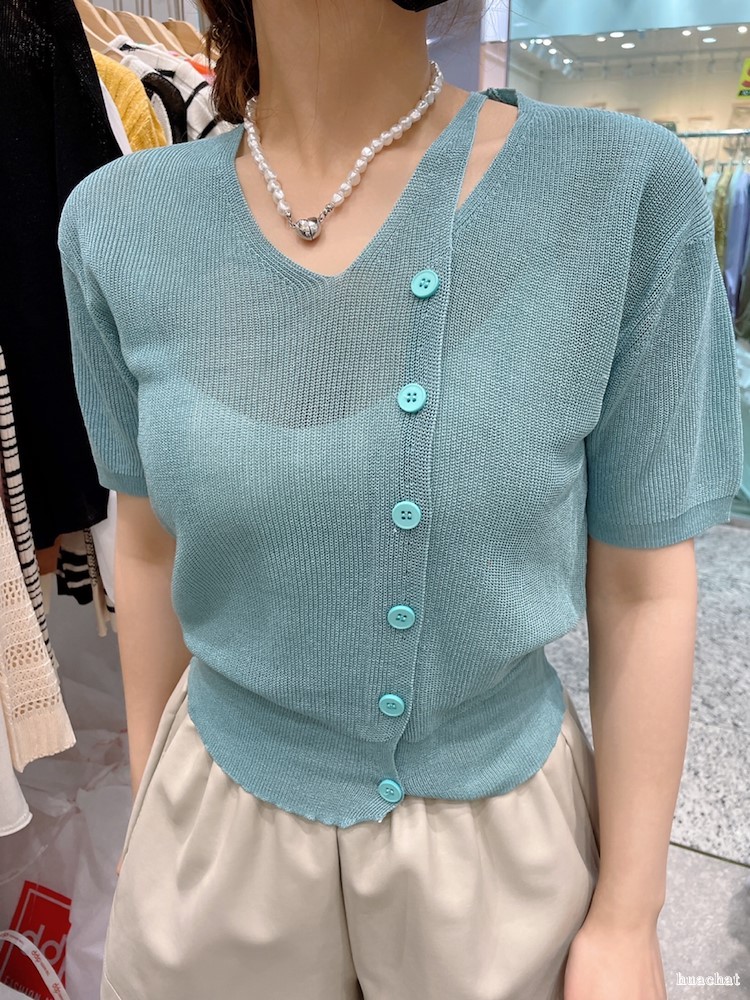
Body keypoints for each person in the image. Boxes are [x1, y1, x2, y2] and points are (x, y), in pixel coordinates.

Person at [57, 0, 743, 998]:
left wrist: (630, 916)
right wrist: (151, 807)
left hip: (499, 856)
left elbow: (643, 587)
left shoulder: (620, 189)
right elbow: (152, 545)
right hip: (213, 837)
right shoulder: (116, 222)